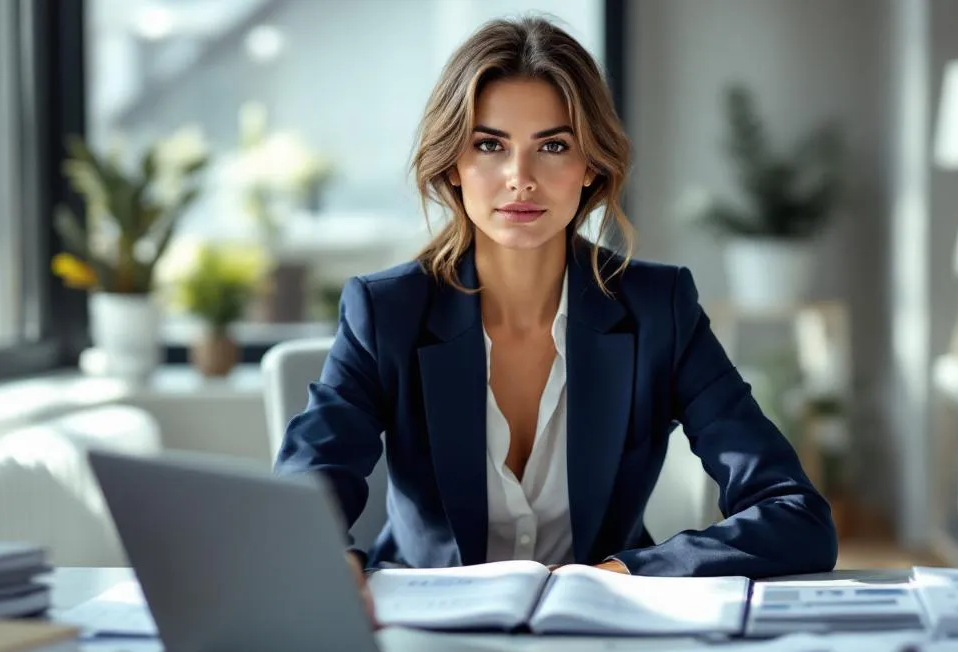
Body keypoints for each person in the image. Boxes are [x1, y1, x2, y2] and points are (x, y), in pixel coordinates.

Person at [274, 15, 837, 600]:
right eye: (489, 145)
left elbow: (796, 513)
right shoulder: (385, 311)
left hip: (599, 633)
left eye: (553, 146)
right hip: (422, 624)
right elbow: (303, 493)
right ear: (452, 164)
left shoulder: (658, 310)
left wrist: (619, 575)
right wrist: (329, 562)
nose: (520, 179)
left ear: (590, 165)